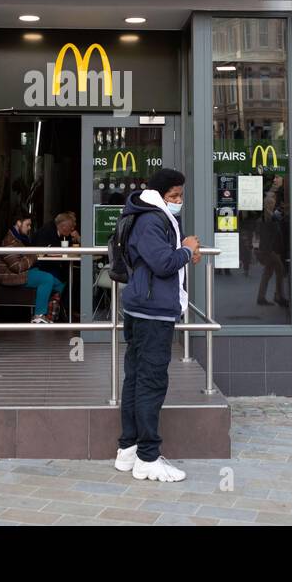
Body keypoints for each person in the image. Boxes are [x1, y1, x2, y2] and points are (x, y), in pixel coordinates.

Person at [113, 168, 200, 483]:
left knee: (136, 378)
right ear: (160, 194)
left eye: (180, 195)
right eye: (174, 195)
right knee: (150, 382)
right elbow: (162, 264)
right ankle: (147, 457)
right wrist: (187, 249)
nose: (178, 201)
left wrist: (184, 254)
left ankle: (129, 449)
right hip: (152, 311)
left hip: (143, 307)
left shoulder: (147, 213)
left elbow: (162, 258)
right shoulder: (152, 219)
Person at [0, 214, 65, 324]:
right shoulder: (9, 241)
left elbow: (25, 258)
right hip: (12, 277)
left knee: (59, 284)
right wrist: (36, 255)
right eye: (27, 225)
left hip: (23, 273)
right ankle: (39, 316)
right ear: (19, 223)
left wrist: (36, 255)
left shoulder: (19, 238)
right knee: (47, 278)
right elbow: (17, 267)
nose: (29, 228)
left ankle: (50, 315)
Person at [34, 210, 80, 296]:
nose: (72, 229)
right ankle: (56, 300)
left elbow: (68, 246)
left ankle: (58, 301)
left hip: (56, 264)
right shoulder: (46, 231)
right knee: (65, 277)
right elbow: (41, 251)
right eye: (70, 227)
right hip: (42, 265)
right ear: (63, 227)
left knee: (73, 275)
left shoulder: (64, 233)